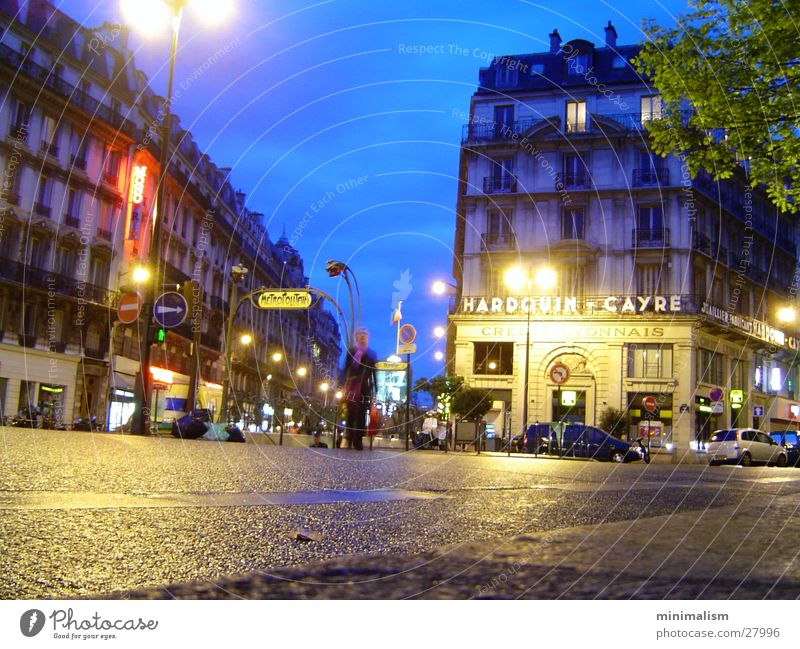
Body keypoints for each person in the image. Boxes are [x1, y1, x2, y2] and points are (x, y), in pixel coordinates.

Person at [341, 327, 377, 451]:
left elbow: (374, 373)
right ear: (356, 337)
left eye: (365, 334)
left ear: (368, 338)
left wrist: (375, 391)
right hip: (352, 388)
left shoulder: (371, 354)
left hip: (365, 388)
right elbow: (346, 369)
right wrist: (342, 385)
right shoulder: (351, 351)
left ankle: (358, 441)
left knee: (362, 415)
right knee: (350, 414)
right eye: (360, 334)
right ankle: (349, 438)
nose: (363, 336)